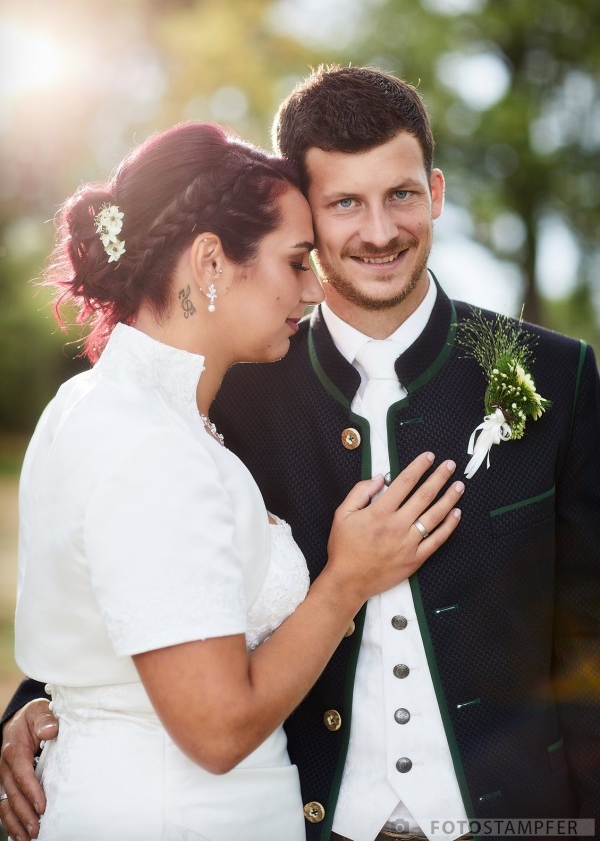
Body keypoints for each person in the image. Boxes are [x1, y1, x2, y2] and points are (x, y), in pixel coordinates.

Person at [2, 64, 600, 839]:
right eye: (345, 203)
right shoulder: (227, 396)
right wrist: (34, 710)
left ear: (438, 191)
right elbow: (128, 572)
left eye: (402, 195)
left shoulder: (559, 374)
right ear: (306, 219)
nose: (380, 231)